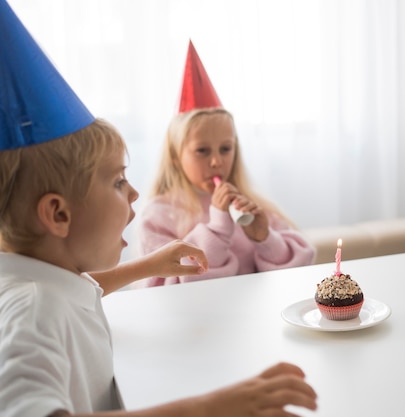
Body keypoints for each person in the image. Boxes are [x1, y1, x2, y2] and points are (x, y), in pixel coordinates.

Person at [0, 4, 318, 416]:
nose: (133, 193)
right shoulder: (34, 310)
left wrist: (146, 265)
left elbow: (86, 289)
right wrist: (210, 407)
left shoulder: (48, 285)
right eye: (117, 182)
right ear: (58, 215)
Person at [135, 41, 315, 287]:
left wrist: (265, 238)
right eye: (202, 150)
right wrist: (218, 229)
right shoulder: (158, 215)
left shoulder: (250, 205)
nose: (216, 161)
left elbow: (299, 271)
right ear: (176, 156)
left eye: (225, 149)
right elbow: (168, 289)